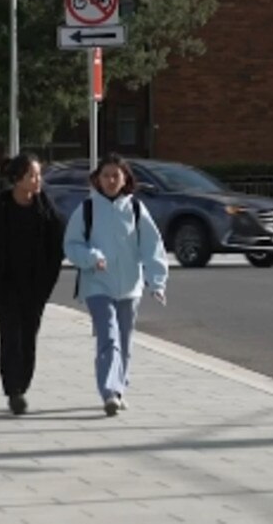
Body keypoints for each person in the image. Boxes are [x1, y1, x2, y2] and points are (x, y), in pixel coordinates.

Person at [63, 152, 169, 417]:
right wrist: (91, 258)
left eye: (116, 175)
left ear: (125, 179)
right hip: (97, 285)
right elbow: (71, 244)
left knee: (124, 339)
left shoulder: (135, 209)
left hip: (130, 287)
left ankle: (120, 388)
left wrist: (156, 281)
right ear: (97, 179)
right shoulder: (87, 209)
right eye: (106, 175)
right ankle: (109, 392)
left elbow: (152, 246)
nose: (111, 180)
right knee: (109, 338)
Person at [0, 152, 65, 415]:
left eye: (38, 175)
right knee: (10, 336)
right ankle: (13, 390)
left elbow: (56, 251)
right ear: (17, 179)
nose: (37, 181)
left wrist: (47, 284)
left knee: (28, 338)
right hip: (5, 288)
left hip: (35, 289)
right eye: (31, 175)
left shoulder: (47, 211)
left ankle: (22, 384)